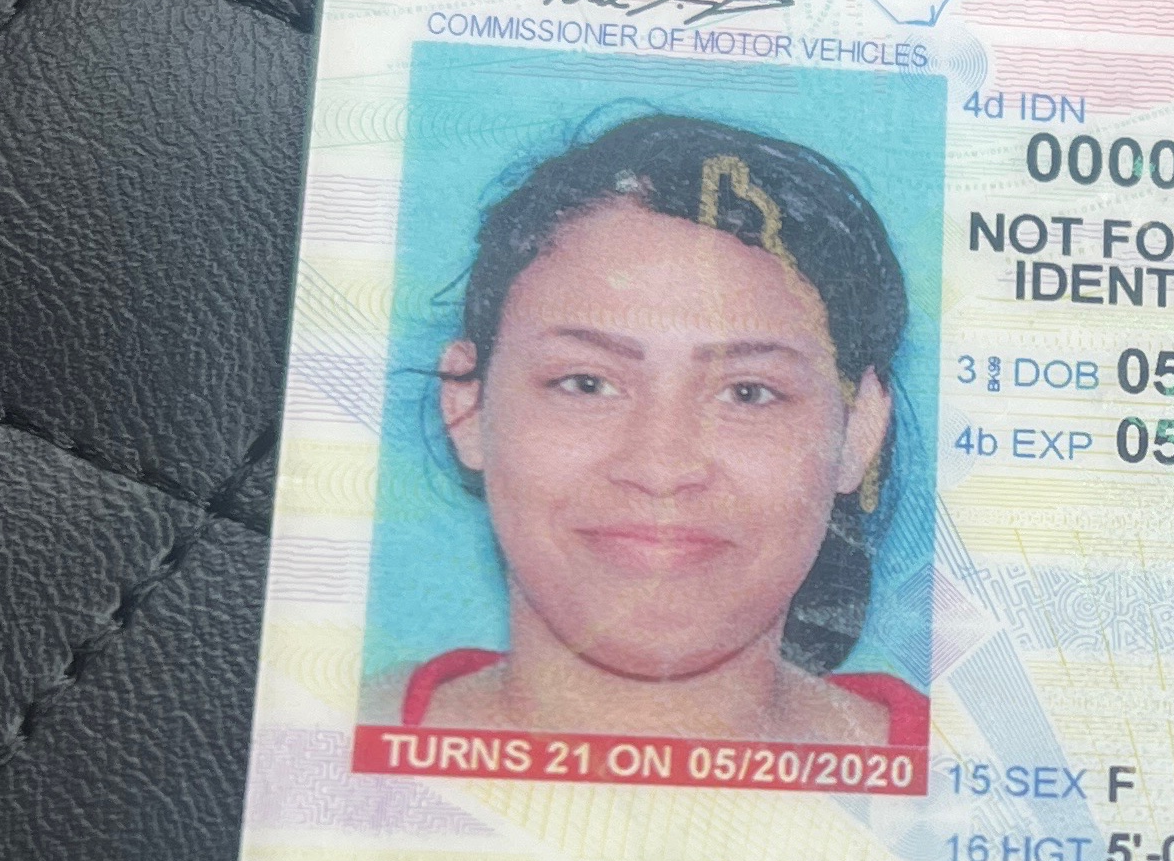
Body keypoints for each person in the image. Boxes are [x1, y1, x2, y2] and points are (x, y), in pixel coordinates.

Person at [386, 111, 927, 748]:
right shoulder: (321, 736)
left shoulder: (977, 777)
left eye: (747, 393)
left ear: (859, 431)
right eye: (586, 383)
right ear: (468, 408)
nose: (661, 468)